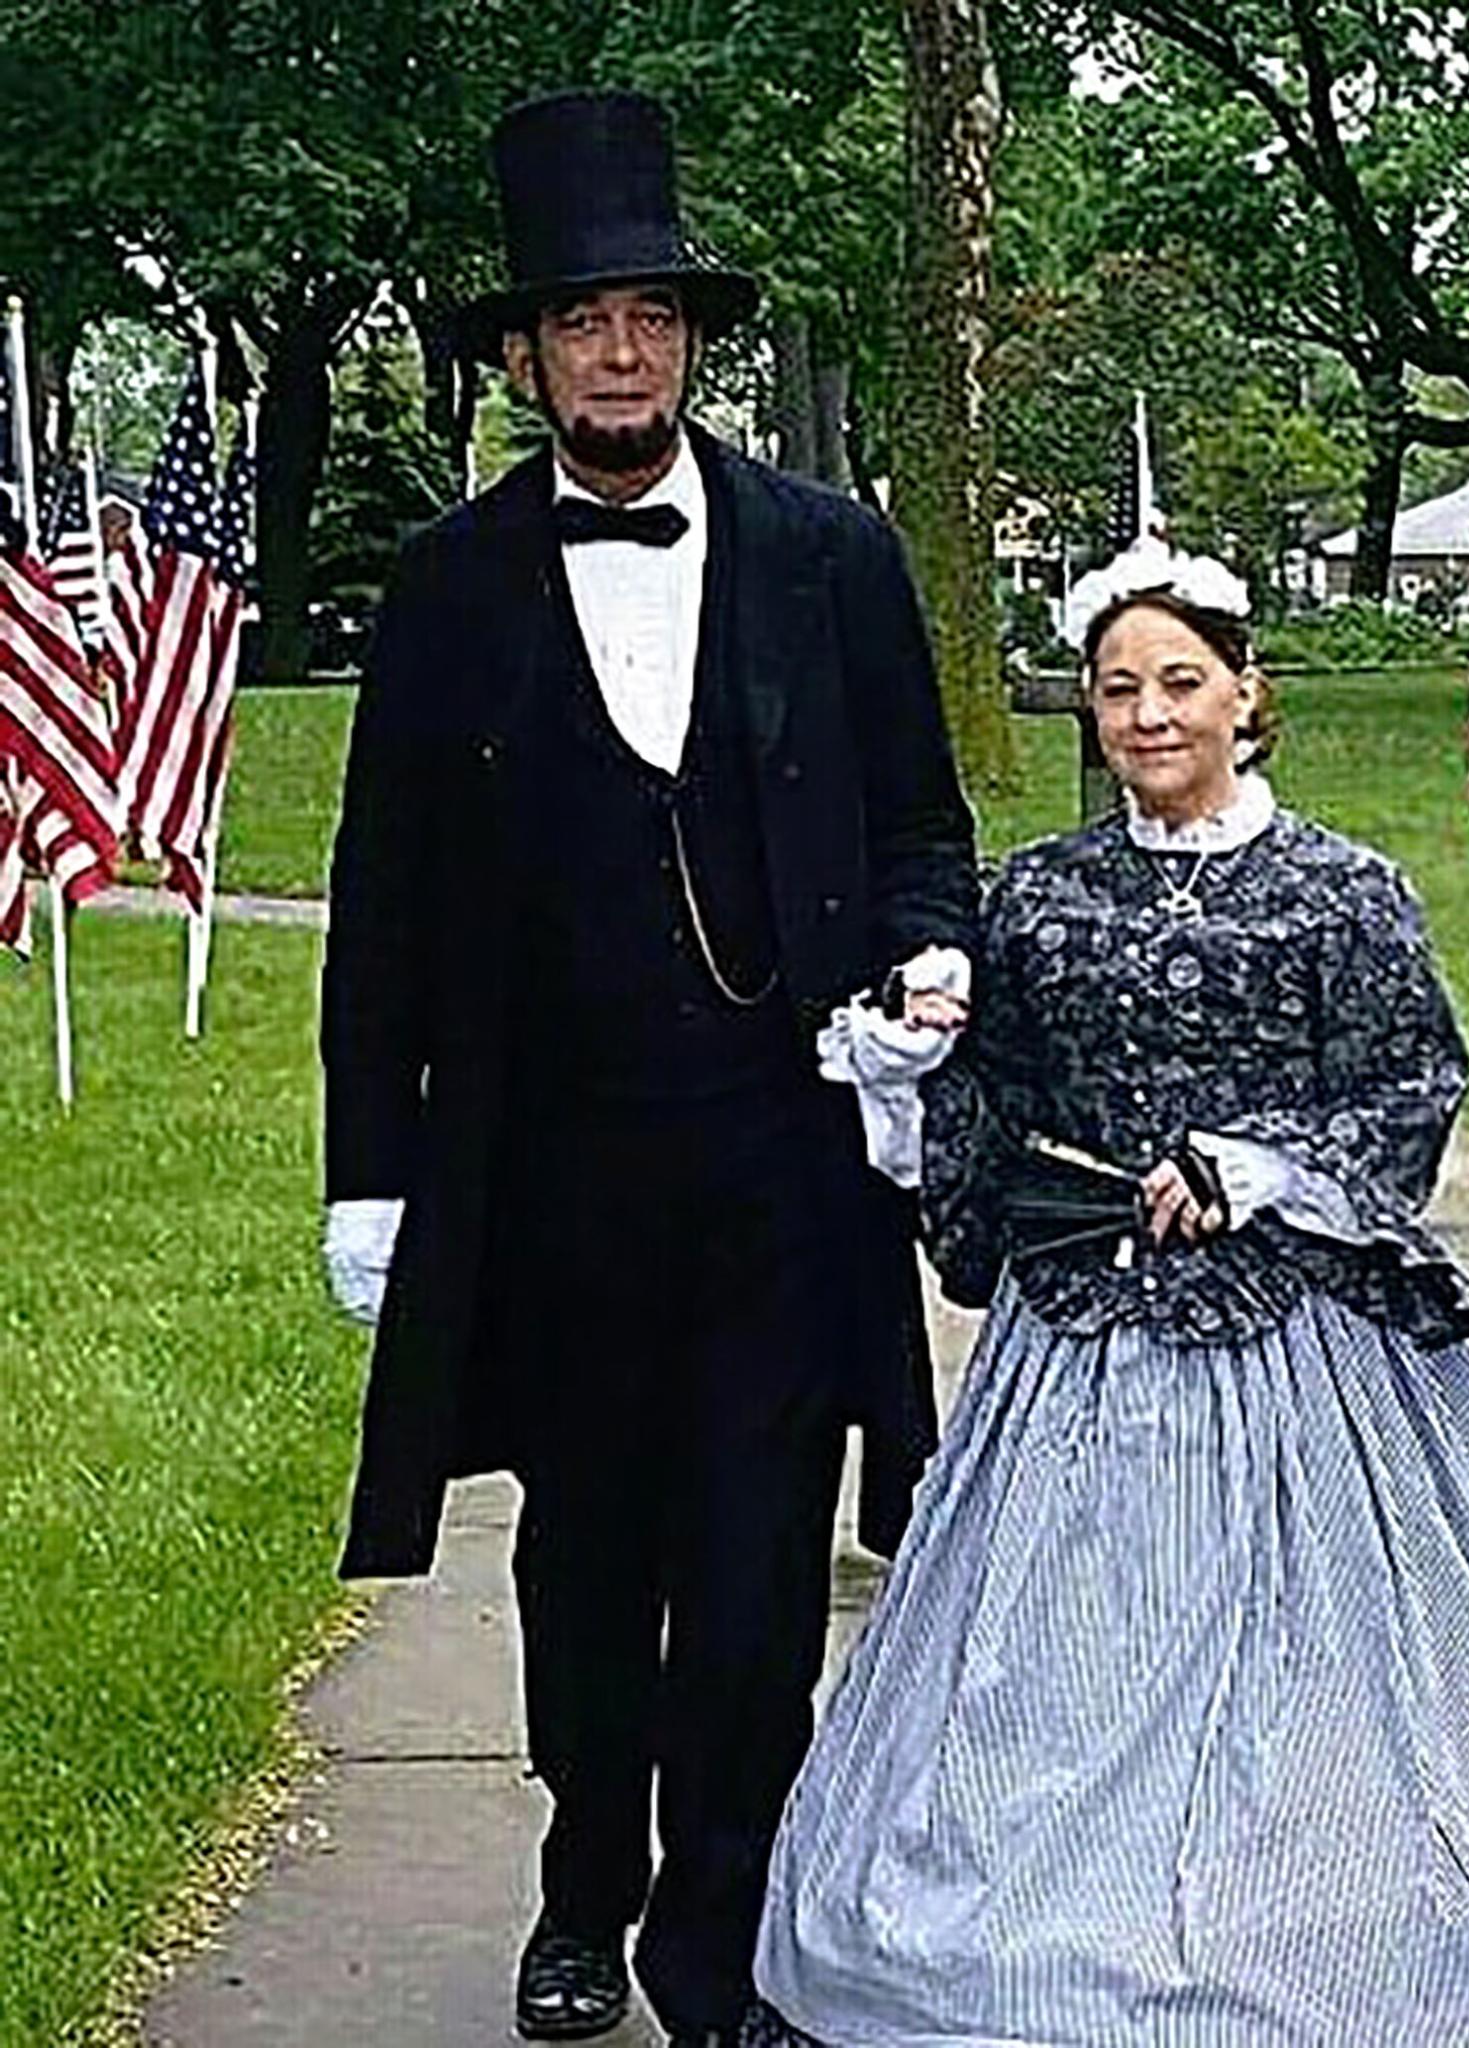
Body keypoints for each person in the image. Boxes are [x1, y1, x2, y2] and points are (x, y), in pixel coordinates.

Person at [753, 537, 1469, 2046]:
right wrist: (913, 1084)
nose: (1150, 715)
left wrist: (1257, 1165)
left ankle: (1331, 1926)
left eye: (1183, 682)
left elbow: (1406, 1093)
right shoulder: (1034, 898)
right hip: (1086, 1357)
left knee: (1338, 1684)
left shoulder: (1343, 892)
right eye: (1118, 690)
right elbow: (1002, 1110)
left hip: (1310, 1347)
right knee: (1056, 1696)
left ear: (1250, 694)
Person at [318, 90, 978, 2046]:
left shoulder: (831, 558)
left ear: (693, 341)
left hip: (783, 1163)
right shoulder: (444, 592)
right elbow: (385, 907)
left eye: (653, 318)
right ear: (524, 355)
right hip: (554, 1172)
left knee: (760, 1571)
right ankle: (582, 1880)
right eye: (583, 320)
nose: (622, 350)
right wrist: (375, 1167)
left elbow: (923, 826)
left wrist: (927, 958)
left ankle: (719, 1940)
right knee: (585, 1565)